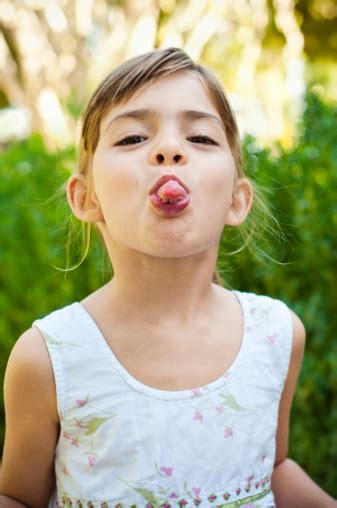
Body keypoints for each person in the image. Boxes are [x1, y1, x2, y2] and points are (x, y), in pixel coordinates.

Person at [0, 47, 335, 508]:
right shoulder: (49, 358)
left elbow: (272, 469)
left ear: (237, 200)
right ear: (86, 198)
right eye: (133, 138)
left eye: (199, 137)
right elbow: (17, 497)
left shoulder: (276, 335)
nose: (169, 149)